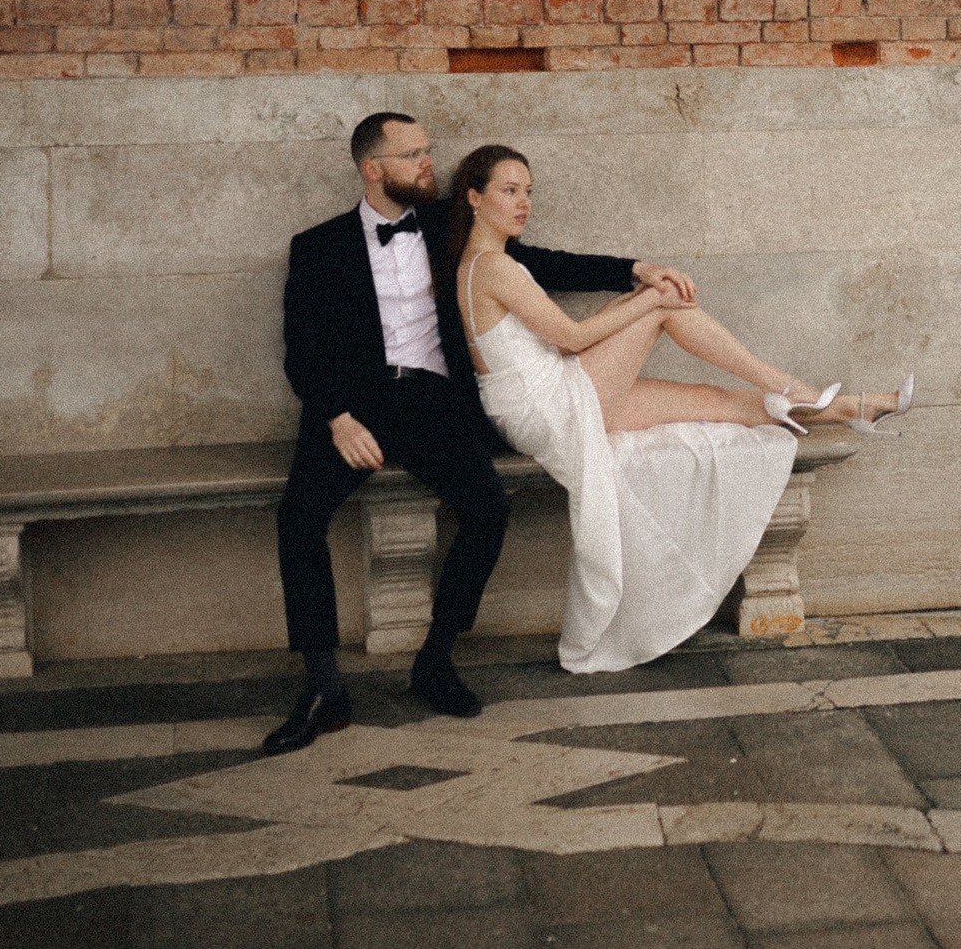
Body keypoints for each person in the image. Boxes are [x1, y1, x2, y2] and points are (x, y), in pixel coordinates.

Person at [263, 112, 712, 756]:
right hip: (353, 408)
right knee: (298, 517)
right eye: (412, 154)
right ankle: (322, 688)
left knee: (488, 510)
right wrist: (338, 419)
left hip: (434, 401)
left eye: (427, 149)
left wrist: (635, 269)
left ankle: (436, 659)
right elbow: (301, 349)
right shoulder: (318, 247)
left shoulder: (447, 225)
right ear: (372, 168)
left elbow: (539, 264)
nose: (428, 162)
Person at [445, 143, 912, 673]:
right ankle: (796, 388)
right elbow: (571, 338)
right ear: (474, 198)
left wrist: (636, 294)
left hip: (556, 393)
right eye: (509, 191)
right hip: (546, 408)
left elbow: (560, 342)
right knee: (665, 309)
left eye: (528, 191)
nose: (523, 202)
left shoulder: (497, 263)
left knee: (713, 402)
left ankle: (856, 408)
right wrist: (648, 300)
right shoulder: (491, 267)